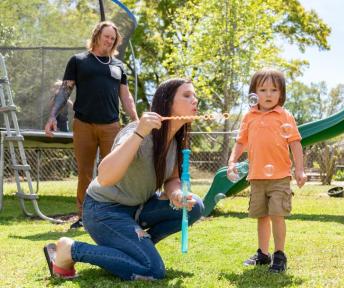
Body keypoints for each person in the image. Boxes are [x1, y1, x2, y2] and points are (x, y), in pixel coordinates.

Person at [43, 78, 204, 280]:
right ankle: (70, 250)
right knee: (153, 271)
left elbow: (171, 179)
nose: (195, 100)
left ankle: (133, 249)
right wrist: (139, 133)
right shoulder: (138, 131)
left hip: (136, 208)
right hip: (104, 210)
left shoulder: (174, 140)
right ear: (167, 101)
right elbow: (106, 177)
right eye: (187, 95)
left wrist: (177, 194)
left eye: (194, 95)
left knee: (194, 206)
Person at [44, 21, 139, 229]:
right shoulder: (78, 61)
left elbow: (126, 96)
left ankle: (112, 215)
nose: (109, 41)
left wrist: (136, 120)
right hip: (83, 124)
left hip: (111, 127)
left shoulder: (118, 66)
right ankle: (84, 216)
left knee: (113, 172)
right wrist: (52, 116)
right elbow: (65, 91)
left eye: (113, 38)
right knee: (85, 172)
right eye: (106, 36)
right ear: (96, 36)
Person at [227, 68, 306, 273]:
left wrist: (300, 170)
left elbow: (296, 143)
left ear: (281, 94)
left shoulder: (284, 115)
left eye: (274, 89)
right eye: (263, 89)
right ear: (254, 93)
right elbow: (240, 142)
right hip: (256, 177)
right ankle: (263, 254)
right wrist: (232, 161)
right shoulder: (249, 116)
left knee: (277, 215)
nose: (268, 94)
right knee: (261, 216)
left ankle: (279, 255)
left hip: (279, 176)